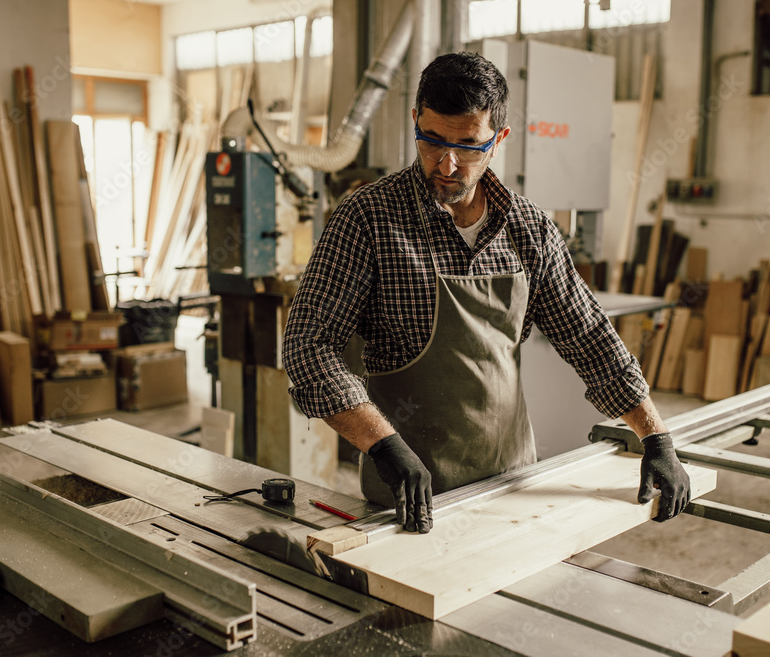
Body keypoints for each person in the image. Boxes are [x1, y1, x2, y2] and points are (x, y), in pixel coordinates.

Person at [283, 51, 690, 534]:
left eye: (469, 145)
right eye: (432, 140)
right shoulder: (368, 219)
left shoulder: (529, 228)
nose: (447, 164)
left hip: (513, 484)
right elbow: (307, 347)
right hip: (406, 495)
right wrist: (382, 444)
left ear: (499, 140)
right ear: (415, 120)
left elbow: (589, 336)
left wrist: (655, 437)